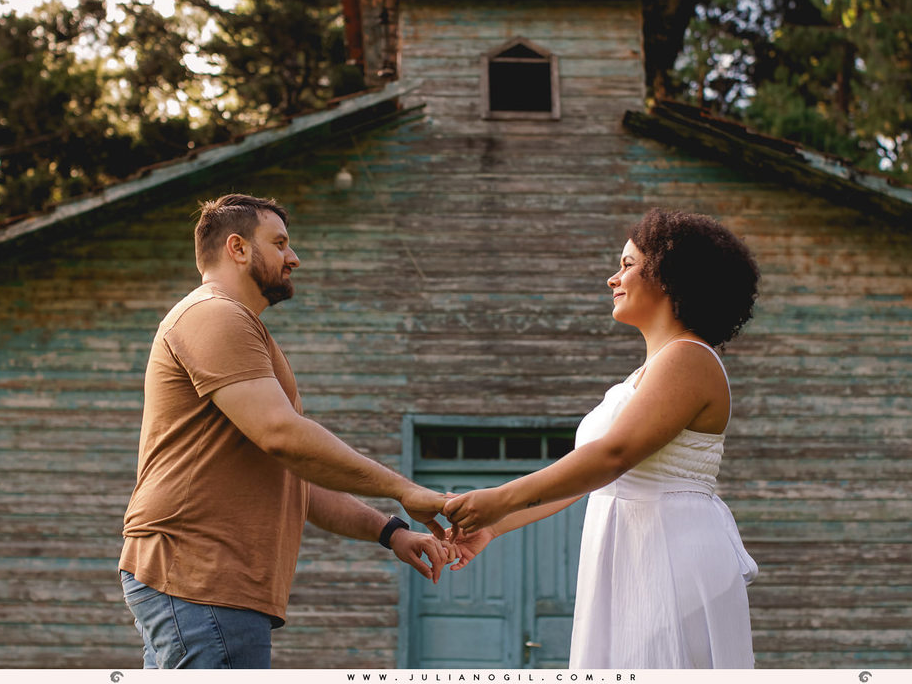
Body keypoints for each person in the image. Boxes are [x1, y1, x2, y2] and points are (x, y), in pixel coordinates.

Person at [120, 193, 451, 669]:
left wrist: (391, 531)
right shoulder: (214, 315)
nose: (293, 257)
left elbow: (292, 474)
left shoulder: (240, 328)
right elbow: (282, 434)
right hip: (201, 576)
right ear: (237, 247)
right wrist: (404, 489)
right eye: (279, 243)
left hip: (209, 585)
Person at [442, 207, 760, 669]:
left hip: (669, 555)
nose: (613, 278)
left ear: (672, 275)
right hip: (631, 554)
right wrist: (494, 524)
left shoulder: (689, 358)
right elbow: (593, 478)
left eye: (628, 265)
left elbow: (612, 456)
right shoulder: (644, 374)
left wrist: (501, 496)